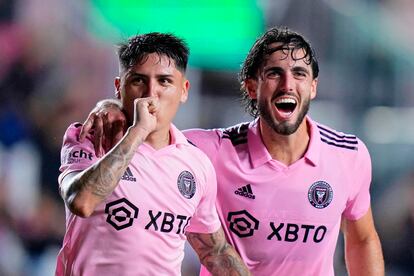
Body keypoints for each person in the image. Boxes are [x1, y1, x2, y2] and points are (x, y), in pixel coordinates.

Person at [81, 27, 385, 275]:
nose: (288, 84)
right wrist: (111, 106)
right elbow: (153, 133)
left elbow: (362, 238)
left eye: (300, 73)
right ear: (252, 87)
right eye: (274, 73)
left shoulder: (348, 155)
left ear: (314, 87)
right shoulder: (209, 151)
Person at [56, 32, 250, 275]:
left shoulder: (195, 164)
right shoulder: (92, 136)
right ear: (119, 87)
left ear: (184, 90)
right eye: (138, 80)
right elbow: (81, 201)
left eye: (164, 81)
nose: (150, 92)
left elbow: (216, 252)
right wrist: (137, 132)